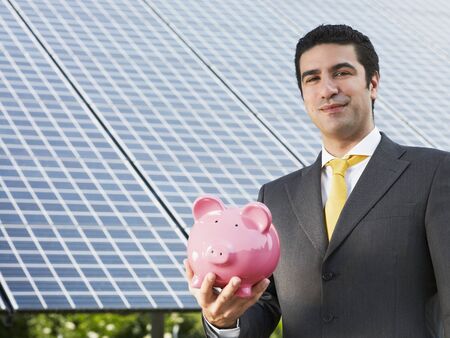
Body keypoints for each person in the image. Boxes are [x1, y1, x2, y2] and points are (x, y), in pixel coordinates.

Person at [184, 24, 450, 337]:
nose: (327, 89)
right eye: (312, 78)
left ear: (373, 83)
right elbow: (264, 301)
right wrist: (223, 322)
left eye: (342, 73)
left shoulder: (435, 173)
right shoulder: (276, 197)